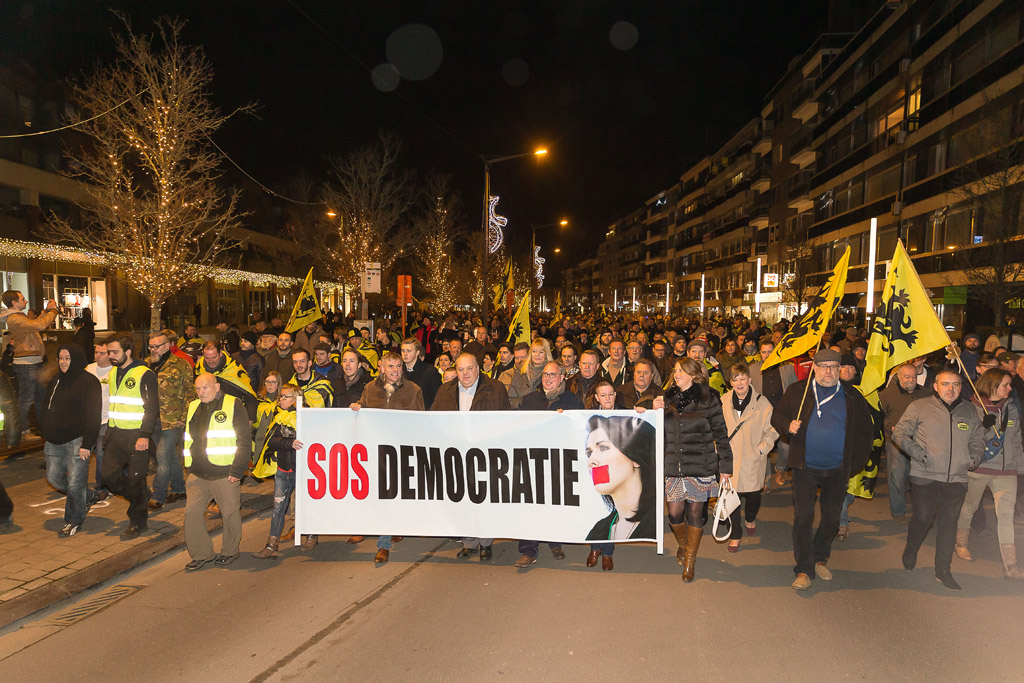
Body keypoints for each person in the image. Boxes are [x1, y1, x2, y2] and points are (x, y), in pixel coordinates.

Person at [770, 349, 874, 591]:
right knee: (803, 517)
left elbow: (865, 434)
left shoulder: (852, 396)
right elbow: (777, 415)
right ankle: (804, 569)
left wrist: (852, 467)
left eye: (833, 367)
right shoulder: (799, 390)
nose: (828, 372)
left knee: (831, 520)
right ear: (814, 368)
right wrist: (788, 425)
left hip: (837, 470)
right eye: (824, 366)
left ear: (840, 370)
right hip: (805, 467)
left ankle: (820, 557)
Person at [893, 370, 985, 590]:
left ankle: (943, 570)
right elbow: (899, 434)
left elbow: (978, 439)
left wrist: (973, 458)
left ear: (961, 387)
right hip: (925, 475)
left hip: (957, 478)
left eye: (955, 384)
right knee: (923, 518)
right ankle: (911, 548)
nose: (950, 389)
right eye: (945, 384)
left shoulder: (970, 410)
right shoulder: (919, 407)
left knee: (948, 524)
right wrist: (919, 454)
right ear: (935, 386)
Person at [653, 357, 732, 582]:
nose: (676, 374)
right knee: (676, 513)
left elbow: (720, 434)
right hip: (673, 465)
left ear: (694, 375)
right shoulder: (665, 398)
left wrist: (725, 465)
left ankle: (690, 559)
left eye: (681, 370)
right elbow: (650, 425)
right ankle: (684, 544)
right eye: (675, 370)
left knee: (696, 513)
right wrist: (651, 408)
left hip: (702, 464)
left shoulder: (709, 397)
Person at [432, 352, 511, 559]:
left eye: (469, 368)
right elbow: (434, 421)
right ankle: (469, 542)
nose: (465, 373)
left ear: (478, 368)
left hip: (486, 454)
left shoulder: (496, 388)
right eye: (460, 369)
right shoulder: (445, 391)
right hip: (456, 455)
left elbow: (506, 419)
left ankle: (485, 542)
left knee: (485, 499)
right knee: (463, 499)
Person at [350, 352, 424, 563]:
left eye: (398, 366)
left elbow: (421, 421)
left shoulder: (413, 390)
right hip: (374, 450)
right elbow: (363, 408)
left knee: (390, 494)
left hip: (400, 452)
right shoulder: (370, 389)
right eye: (390, 366)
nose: (395, 370)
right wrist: (357, 408)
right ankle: (392, 527)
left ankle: (383, 544)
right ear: (381, 367)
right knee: (378, 495)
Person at [954, 369, 1024, 579]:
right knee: (969, 507)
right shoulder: (972, 408)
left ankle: (1010, 565)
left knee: (1005, 515)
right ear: (992, 386)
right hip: (980, 468)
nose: (1010, 388)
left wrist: (1019, 467)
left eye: (1010, 384)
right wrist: (983, 429)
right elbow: (963, 438)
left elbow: (1017, 440)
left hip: (1006, 470)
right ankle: (961, 543)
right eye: (1005, 384)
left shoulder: (1011, 409)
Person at [182, 373, 253, 570]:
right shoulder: (193, 406)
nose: (200, 392)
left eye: (205, 388)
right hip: (198, 472)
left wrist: (238, 470)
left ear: (217, 386)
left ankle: (230, 551)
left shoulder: (233, 404)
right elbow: (190, 437)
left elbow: (244, 439)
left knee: (230, 513)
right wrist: (189, 466)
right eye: (197, 389)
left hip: (225, 472)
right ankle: (202, 553)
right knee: (192, 514)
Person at [514, 361, 581, 567]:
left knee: (555, 503)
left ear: (562, 377)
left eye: (553, 375)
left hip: (559, 462)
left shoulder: (573, 402)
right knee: (529, 505)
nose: (548, 378)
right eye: (545, 374)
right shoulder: (530, 399)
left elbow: (579, 431)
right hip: (532, 460)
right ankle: (528, 550)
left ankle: (555, 542)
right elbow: (516, 427)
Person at [40, 344, 102, 537]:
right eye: (60, 358)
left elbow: (94, 415)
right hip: (53, 440)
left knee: (75, 483)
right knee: (54, 478)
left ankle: (73, 520)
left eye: (67, 358)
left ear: (76, 359)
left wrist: (87, 444)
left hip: (77, 440)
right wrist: (45, 429)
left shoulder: (89, 382)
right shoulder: (57, 379)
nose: (63, 362)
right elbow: (46, 404)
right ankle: (89, 496)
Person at [584, 411, 657, 572]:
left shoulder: (653, 521)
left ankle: (607, 555)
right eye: (589, 453)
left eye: (603, 447)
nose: (591, 461)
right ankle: (597, 550)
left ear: (635, 456)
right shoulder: (599, 528)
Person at [104, 334, 160, 539]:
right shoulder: (113, 372)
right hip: (115, 433)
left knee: (137, 480)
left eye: (114, 352)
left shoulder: (144, 374)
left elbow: (152, 407)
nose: (110, 356)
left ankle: (138, 522)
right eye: (109, 352)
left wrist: (144, 435)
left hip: (137, 435)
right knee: (109, 477)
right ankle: (141, 498)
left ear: (127, 352)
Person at [720, 363, 778, 551]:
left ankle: (751, 517)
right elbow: (716, 428)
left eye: (742, 379)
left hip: (752, 458)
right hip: (730, 459)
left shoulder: (762, 403)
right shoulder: (724, 401)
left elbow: (772, 431)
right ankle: (735, 534)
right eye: (735, 379)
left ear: (749, 380)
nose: (739, 383)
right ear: (730, 382)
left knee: (753, 496)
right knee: (731, 497)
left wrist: (761, 451)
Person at [252, 383, 305, 559]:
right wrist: (289, 443)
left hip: (304, 470)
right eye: (280, 396)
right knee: (278, 507)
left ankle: (312, 535)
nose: (280, 399)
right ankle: (271, 546)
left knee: (308, 505)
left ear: (296, 398)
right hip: (283, 469)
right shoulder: (278, 416)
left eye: (285, 396)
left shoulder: (307, 417)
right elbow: (271, 441)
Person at [1, 290, 58, 439]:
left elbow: (34, 324)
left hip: (33, 361)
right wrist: (53, 311)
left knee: (41, 397)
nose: (26, 301)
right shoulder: (14, 318)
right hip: (26, 364)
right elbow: (39, 325)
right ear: (14, 302)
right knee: (26, 399)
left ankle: (43, 427)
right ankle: (21, 431)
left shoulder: (18, 317)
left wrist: (45, 311)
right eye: (22, 299)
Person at [879, 363, 932, 522]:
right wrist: (890, 428)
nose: (911, 380)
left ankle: (922, 510)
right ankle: (898, 511)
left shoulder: (926, 394)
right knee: (897, 475)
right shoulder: (886, 395)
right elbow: (880, 418)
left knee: (921, 477)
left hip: (920, 442)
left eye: (914, 377)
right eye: (907, 377)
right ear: (898, 377)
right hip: (895, 442)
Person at [147, 331, 192, 509]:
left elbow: (190, 392)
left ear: (167, 345)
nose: (153, 350)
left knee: (162, 455)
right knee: (170, 455)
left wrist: (184, 417)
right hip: (152, 419)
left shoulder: (181, 364)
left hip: (173, 419)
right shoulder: (146, 364)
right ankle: (180, 488)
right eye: (150, 346)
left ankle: (158, 494)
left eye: (157, 346)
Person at [196, 341, 258, 423]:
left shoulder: (235, 369)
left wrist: (250, 419)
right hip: (206, 416)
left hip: (233, 415)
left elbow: (249, 394)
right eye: (207, 358)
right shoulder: (199, 369)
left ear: (221, 353)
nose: (211, 361)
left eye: (214, 357)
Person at [85, 342, 113, 495]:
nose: (98, 356)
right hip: (89, 419)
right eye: (96, 352)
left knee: (101, 454)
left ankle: (102, 487)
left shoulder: (114, 371)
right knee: (84, 453)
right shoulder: (89, 369)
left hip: (106, 419)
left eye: (102, 353)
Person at [508, 338, 553, 409]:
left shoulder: (553, 371)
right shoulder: (520, 371)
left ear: (546, 354)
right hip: (522, 415)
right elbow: (510, 399)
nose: (537, 355)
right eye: (534, 351)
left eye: (541, 352)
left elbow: (557, 397)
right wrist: (523, 402)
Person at [401, 338, 441, 409]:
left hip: (424, 413)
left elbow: (438, 396)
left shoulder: (430, 371)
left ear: (417, 353)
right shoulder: (399, 371)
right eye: (403, 351)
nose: (405, 354)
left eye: (409, 351)